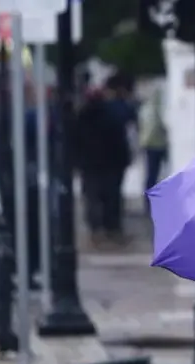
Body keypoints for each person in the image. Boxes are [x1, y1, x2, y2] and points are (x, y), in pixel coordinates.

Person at [76, 73, 136, 246]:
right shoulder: (114, 112)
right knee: (112, 197)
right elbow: (123, 133)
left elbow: (75, 138)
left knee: (93, 197)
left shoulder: (82, 115)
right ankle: (112, 229)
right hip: (111, 163)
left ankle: (97, 230)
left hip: (91, 163)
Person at [139, 85, 169, 203]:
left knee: (151, 174)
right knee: (154, 174)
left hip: (150, 144)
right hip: (156, 144)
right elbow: (155, 127)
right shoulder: (154, 109)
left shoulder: (145, 108)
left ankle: (149, 199)